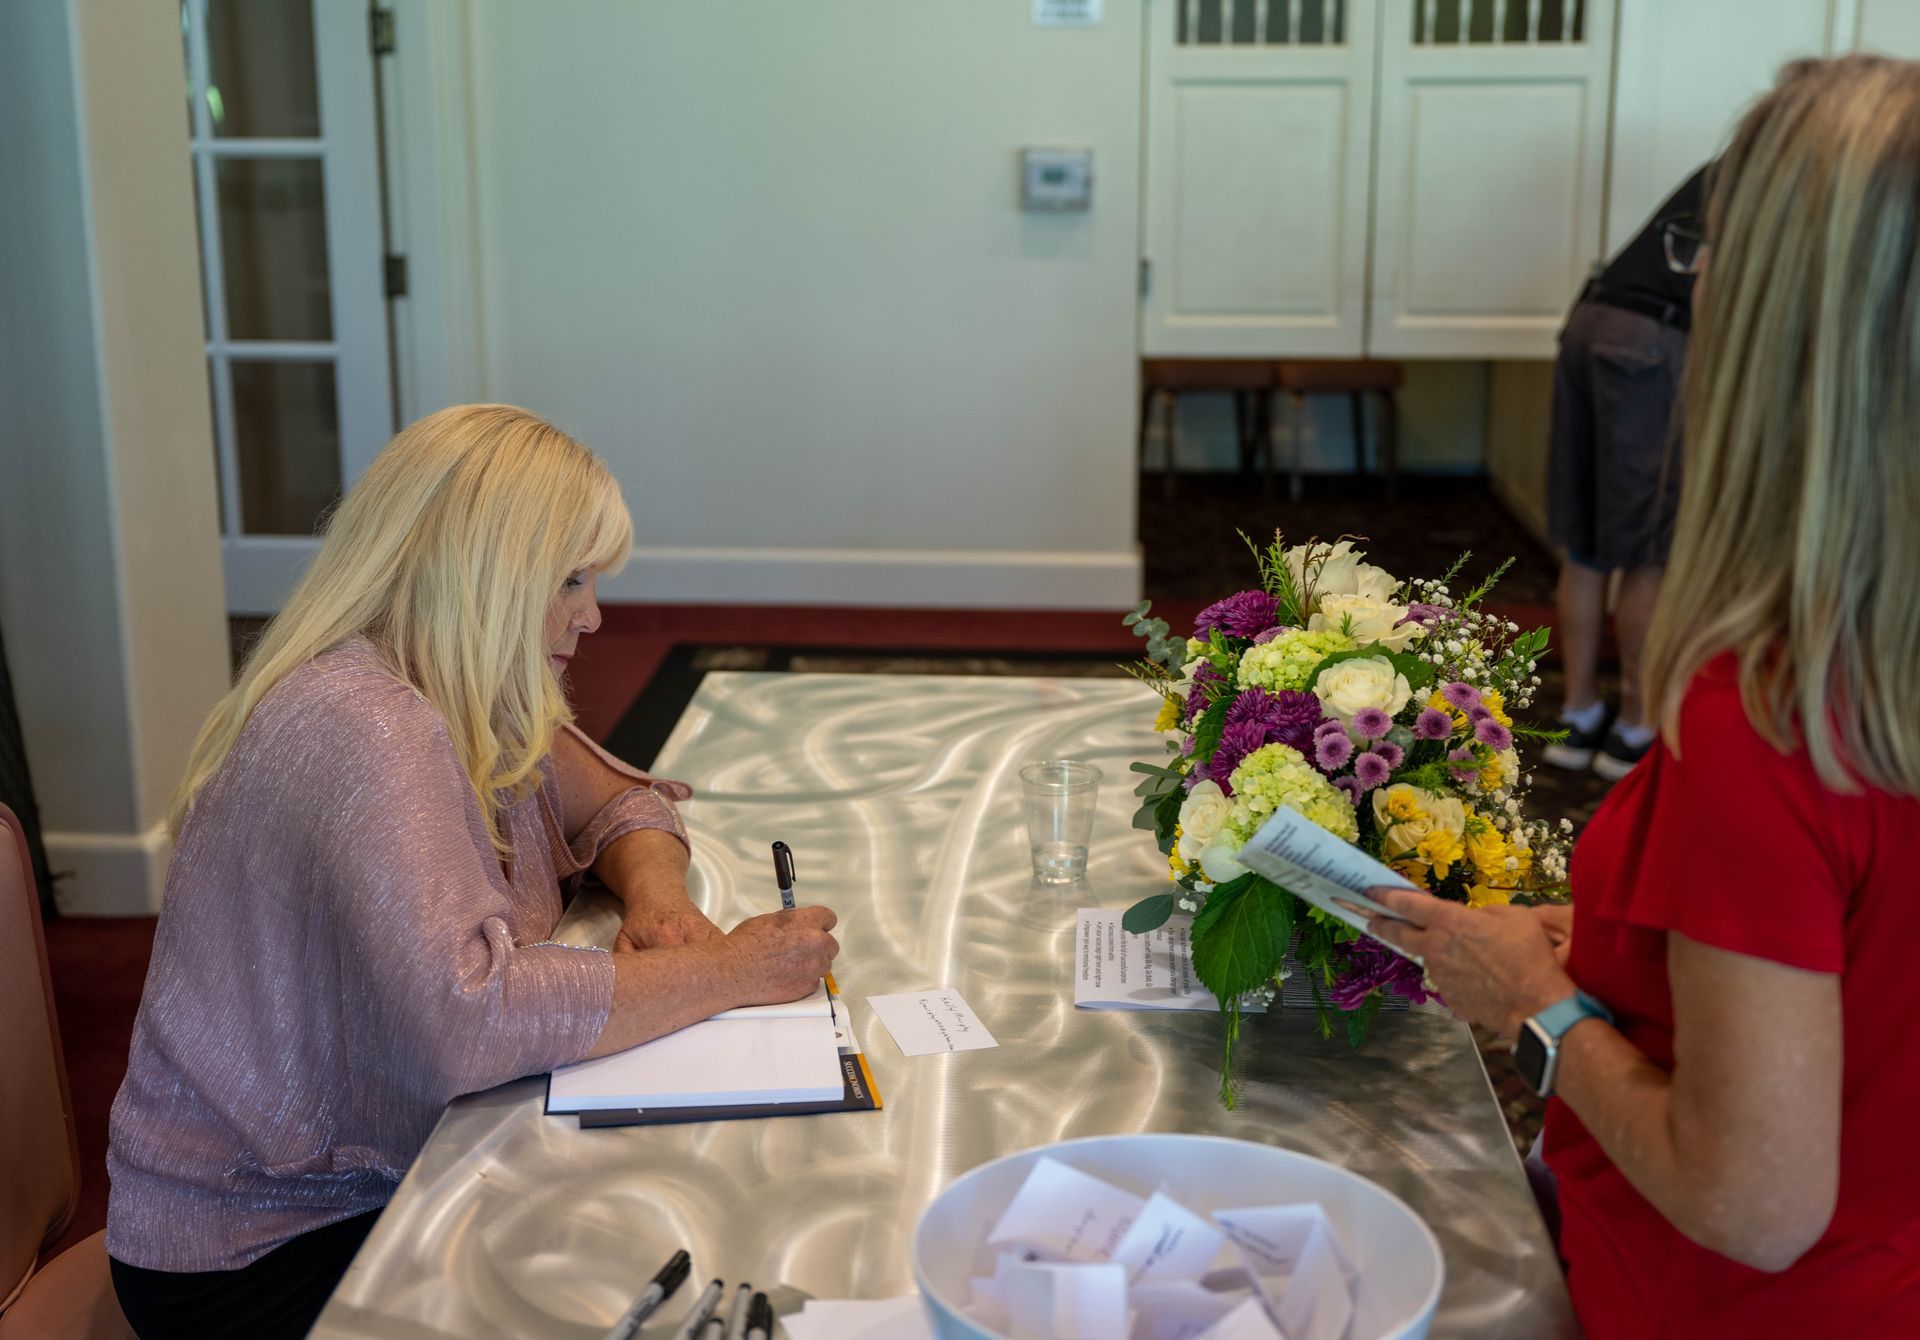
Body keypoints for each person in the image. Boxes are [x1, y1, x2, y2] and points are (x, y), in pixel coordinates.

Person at [1357, 55, 1920, 1335]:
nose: (1692, 278)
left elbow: (1753, 1199)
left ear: (1779, 317)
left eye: (1713, 251)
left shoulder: (1766, 710)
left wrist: (1529, 999)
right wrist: (1609, 930)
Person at [104, 405, 840, 1338]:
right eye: (570, 579)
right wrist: (725, 972)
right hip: (264, 1240)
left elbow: (624, 802)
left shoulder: (466, 685)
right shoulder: (369, 724)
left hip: (367, 1170)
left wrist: (654, 901)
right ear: (484, 575)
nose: (594, 613)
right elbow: (473, 1014)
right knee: (635, 1257)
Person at [1543, 162, 1709, 781]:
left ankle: (1578, 713)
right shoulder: (1784, 174)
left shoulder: (1724, 167)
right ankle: (1634, 731)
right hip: (1650, 341)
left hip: (1590, 321)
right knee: (1650, 549)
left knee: (1586, 542)